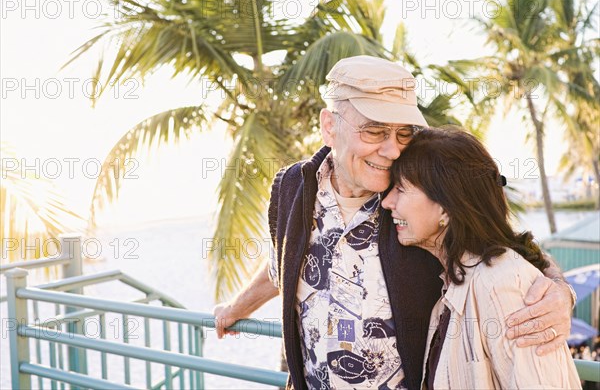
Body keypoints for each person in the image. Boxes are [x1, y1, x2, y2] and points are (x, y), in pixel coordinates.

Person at [213, 55, 575, 389]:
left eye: (403, 133)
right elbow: (283, 260)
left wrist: (560, 291)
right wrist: (235, 309)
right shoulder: (293, 188)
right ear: (329, 126)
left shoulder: (415, 199)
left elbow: (500, 246)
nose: (392, 150)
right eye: (374, 131)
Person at [381, 127, 581, 389]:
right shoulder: (455, 284)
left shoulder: (501, 283)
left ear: (445, 207)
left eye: (401, 188)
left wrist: (562, 289)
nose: (387, 202)